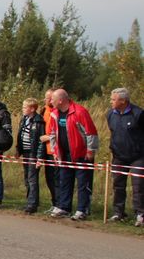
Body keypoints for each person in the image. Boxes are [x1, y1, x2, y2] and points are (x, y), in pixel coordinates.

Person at [47, 89, 99, 220]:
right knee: (64, 181)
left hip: (81, 154)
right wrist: (54, 151)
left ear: (60, 100)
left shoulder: (79, 112)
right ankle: (64, 207)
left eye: (52, 99)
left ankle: (82, 209)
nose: (50, 101)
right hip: (64, 154)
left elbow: (90, 132)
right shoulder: (54, 114)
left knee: (83, 183)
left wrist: (90, 150)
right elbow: (52, 134)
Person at [107, 88, 144, 227]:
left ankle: (140, 214)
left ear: (123, 101)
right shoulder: (110, 114)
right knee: (117, 185)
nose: (111, 101)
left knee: (138, 186)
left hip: (138, 156)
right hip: (119, 156)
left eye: (113, 99)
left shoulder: (139, 114)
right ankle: (118, 213)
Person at [16, 98, 46, 213]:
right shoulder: (24, 119)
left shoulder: (39, 121)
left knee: (32, 179)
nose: (23, 109)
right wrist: (18, 149)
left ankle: (32, 204)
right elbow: (20, 134)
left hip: (33, 153)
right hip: (25, 152)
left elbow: (40, 141)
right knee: (26, 179)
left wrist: (39, 157)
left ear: (32, 109)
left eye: (25, 107)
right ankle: (30, 201)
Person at [38, 89, 58, 208]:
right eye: (47, 98)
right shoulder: (43, 111)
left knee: (58, 180)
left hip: (56, 151)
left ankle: (60, 204)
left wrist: (49, 138)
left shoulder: (59, 111)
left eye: (51, 98)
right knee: (49, 179)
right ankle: (54, 202)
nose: (49, 100)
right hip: (45, 150)